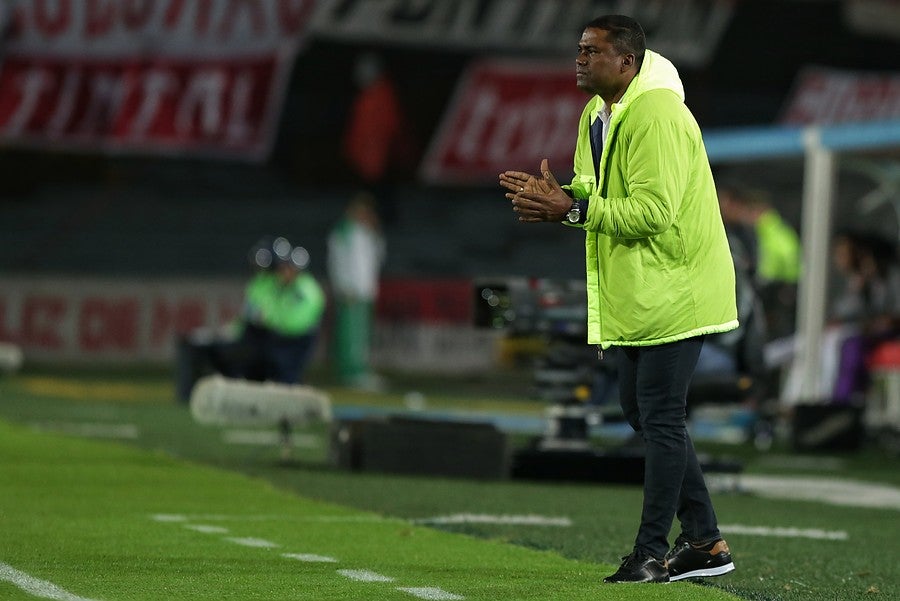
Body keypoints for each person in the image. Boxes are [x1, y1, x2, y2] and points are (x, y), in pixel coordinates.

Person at [499, 15, 738, 584]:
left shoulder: (657, 114)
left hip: (677, 288)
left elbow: (654, 213)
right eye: (579, 49)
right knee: (642, 411)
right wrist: (564, 195)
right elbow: (599, 187)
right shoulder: (598, 113)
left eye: (592, 51)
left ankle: (651, 553)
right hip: (647, 289)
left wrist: (574, 210)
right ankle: (705, 542)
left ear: (627, 62)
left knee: (658, 418)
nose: (579, 59)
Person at [327, 192, 386, 389]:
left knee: (361, 334)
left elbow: (378, 258)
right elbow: (337, 262)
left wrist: (375, 231)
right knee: (349, 334)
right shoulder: (343, 233)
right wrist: (343, 286)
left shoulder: (367, 234)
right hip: (350, 291)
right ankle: (349, 372)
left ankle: (360, 369)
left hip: (365, 290)